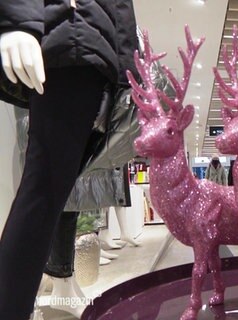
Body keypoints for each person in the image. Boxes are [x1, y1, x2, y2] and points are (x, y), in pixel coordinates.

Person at [0, 1, 139, 318]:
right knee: (43, 195)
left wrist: (128, 77)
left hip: (89, 48)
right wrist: (19, 19)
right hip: (69, 34)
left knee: (49, 194)